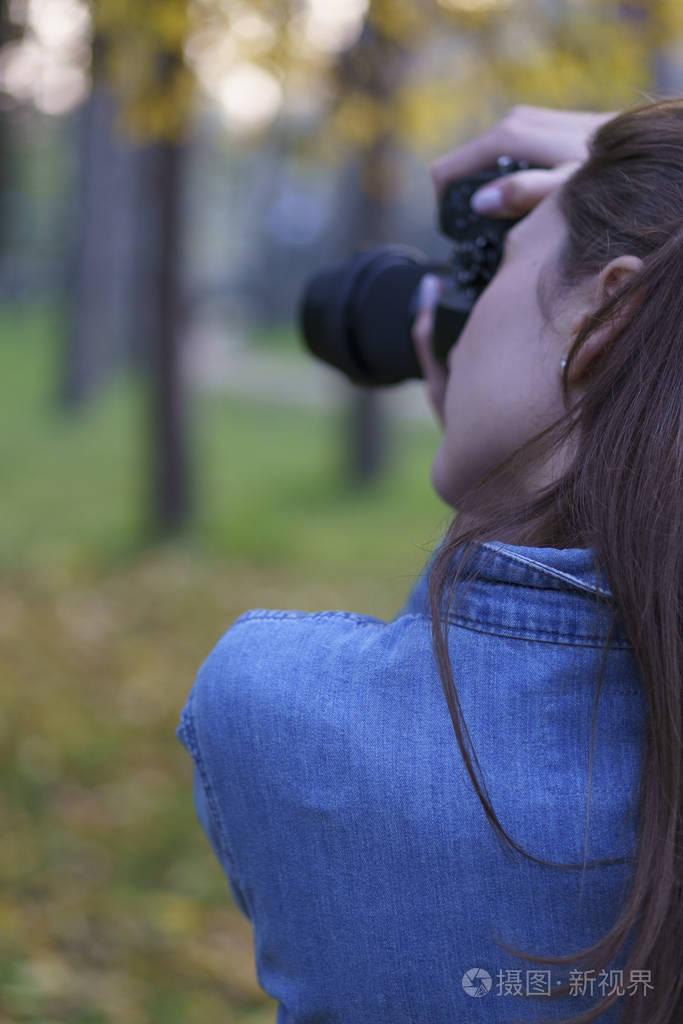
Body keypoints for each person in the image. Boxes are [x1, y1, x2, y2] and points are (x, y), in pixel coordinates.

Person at [177, 99, 682, 1024]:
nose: (451, 313)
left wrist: (505, 491)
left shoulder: (274, 702)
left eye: (491, 276)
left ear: (605, 317)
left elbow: (454, 705)